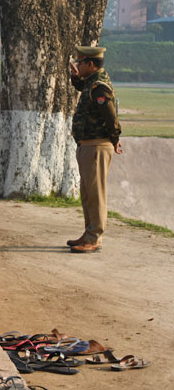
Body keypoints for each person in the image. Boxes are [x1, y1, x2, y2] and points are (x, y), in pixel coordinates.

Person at [67, 46, 122, 254]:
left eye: (80, 63)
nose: (78, 66)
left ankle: (94, 237)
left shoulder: (99, 86)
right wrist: (75, 77)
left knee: (96, 194)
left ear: (91, 64)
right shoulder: (92, 82)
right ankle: (88, 232)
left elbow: (110, 116)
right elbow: (84, 87)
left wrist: (115, 138)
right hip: (88, 145)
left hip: (96, 145)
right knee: (88, 193)